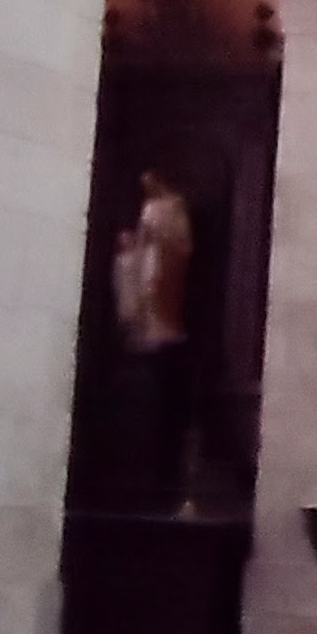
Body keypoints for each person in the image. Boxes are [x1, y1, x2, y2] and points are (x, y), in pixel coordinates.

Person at [111, 165, 194, 502]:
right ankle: (144, 326)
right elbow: (142, 236)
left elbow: (182, 245)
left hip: (164, 264)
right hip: (151, 258)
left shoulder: (174, 206)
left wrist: (159, 242)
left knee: (156, 284)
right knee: (135, 274)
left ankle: (158, 324)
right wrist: (137, 245)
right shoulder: (150, 209)